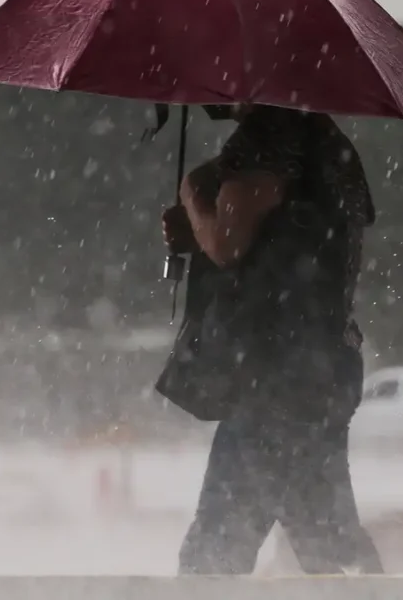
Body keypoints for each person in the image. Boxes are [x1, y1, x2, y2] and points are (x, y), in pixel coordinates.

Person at [160, 103, 384, 575]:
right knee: (326, 540)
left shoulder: (270, 134)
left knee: (214, 554)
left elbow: (227, 242)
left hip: (273, 376)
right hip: (319, 368)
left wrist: (193, 200)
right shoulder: (325, 140)